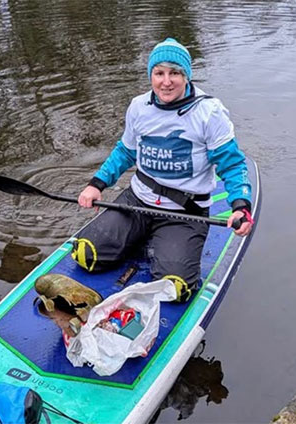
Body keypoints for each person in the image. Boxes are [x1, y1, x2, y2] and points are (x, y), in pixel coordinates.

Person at [71, 37, 254, 303]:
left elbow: (233, 164)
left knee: (175, 290)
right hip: (137, 202)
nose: (166, 82)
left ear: (186, 76)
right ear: (151, 76)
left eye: (175, 73)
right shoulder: (138, 107)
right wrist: (96, 184)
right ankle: (140, 235)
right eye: (159, 73)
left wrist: (240, 205)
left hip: (184, 213)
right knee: (85, 255)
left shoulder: (209, 113)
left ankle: (165, 243)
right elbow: (125, 151)